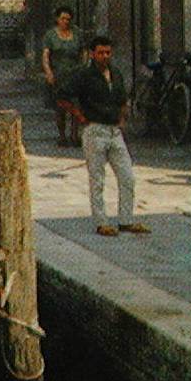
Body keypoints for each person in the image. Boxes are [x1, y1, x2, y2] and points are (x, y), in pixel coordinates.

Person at [64, 34, 148, 237]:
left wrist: (121, 118)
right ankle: (101, 221)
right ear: (93, 54)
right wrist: (79, 116)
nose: (104, 56)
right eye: (100, 53)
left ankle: (126, 219)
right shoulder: (83, 75)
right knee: (97, 178)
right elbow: (63, 95)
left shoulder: (116, 73)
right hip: (95, 130)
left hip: (114, 131)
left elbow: (122, 98)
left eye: (108, 52)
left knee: (127, 176)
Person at [39, 6, 87, 147]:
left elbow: (83, 51)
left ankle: (74, 135)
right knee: (60, 107)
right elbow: (46, 55)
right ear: (57, 19)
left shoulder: (77, 33)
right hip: (58, 75)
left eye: (68, 19)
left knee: (75, 105)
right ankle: (62, 135)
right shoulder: (50, 36)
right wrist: (48, 72)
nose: (65, 21)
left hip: (75, 74)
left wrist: (83, 68)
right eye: (63, 19)